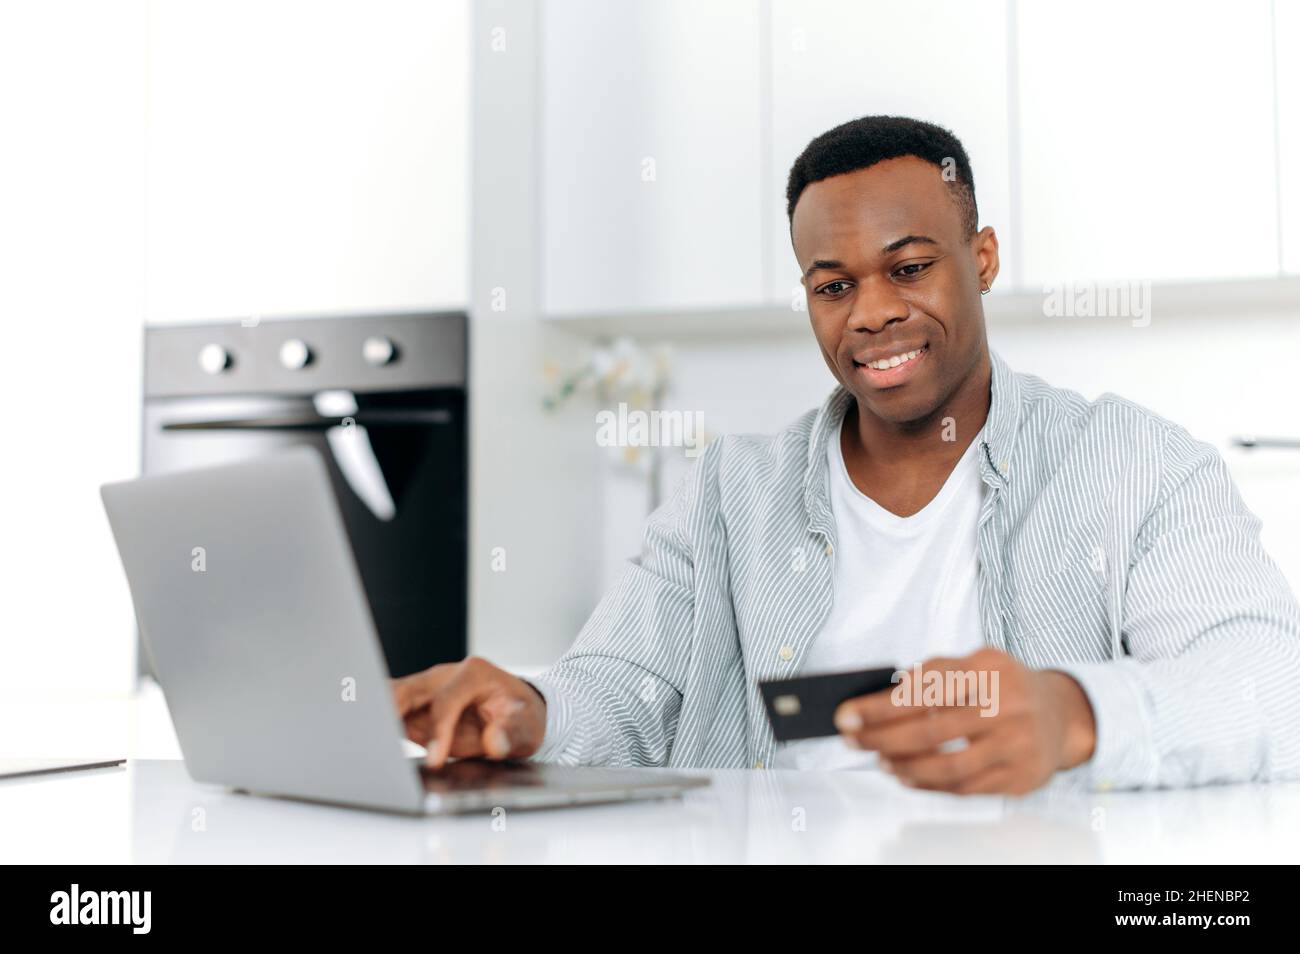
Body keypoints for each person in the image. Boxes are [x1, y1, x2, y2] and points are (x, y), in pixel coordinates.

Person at [392, 116, 1300, 795]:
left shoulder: (1133, 463)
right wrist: (529, 715)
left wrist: (1079, 714)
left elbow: (1268, 686)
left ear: (980, 259)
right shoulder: (727, 493)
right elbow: (624, 692)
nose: (870, 313)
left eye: (909, 269)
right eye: (834, 286)